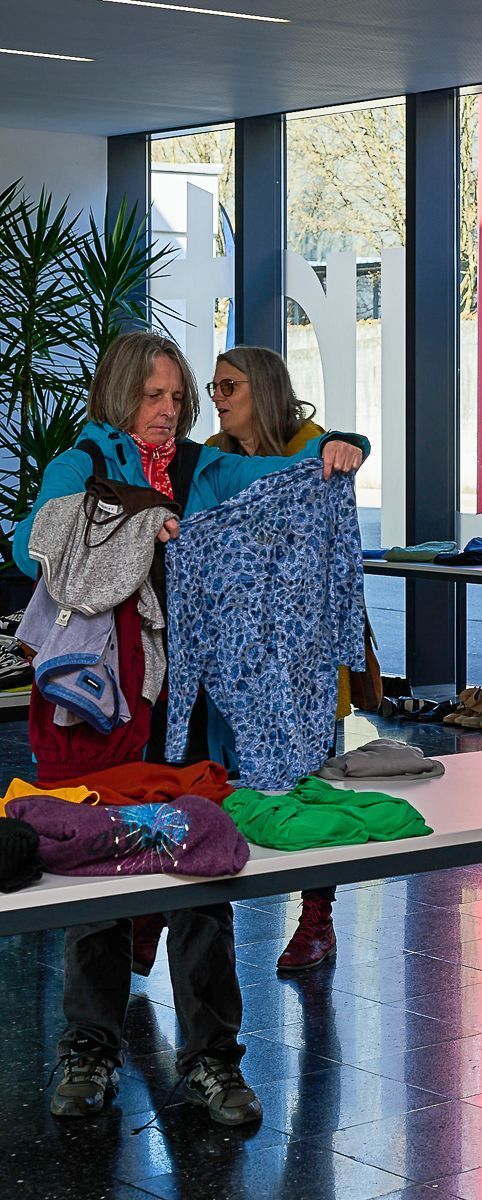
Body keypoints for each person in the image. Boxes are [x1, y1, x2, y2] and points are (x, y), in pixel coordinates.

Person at [12, 331, 365, 1126]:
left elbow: (282, 471)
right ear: (119, 397)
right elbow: (31, 541)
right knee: (96, 885)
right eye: (154, 397)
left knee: (202, 880)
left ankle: (212, 1061)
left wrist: (343, 449)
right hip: (98, 717)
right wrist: (140, 525)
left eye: (178, 397)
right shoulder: (84, 462)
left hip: (183, 721)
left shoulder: (205, 467)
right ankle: (89, 1050)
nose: (169, 411)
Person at [204, 345, 349, 976]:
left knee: (307, 791)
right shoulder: (214, 455)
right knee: (220, 785)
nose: (218, 397)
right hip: (231, 658)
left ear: (262, 388)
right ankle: (204, 918)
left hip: (298, 661)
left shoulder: (314, 447)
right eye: (212, 387)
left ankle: (317, 919)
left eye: (228, 385)